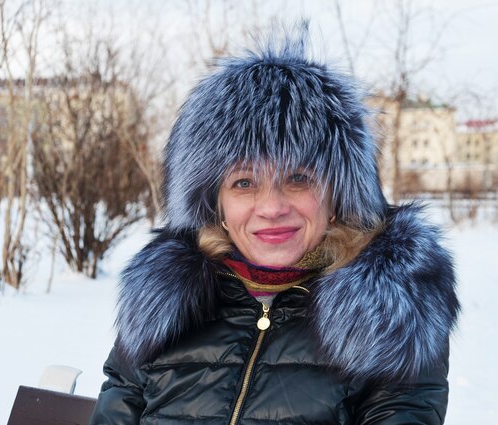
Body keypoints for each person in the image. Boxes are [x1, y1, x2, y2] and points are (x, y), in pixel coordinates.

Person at [90, 29, 459, 425]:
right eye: (244, 183)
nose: (271, 208)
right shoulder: (164, 300)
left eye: (298, 179)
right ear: (216, 203)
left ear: (337, 196)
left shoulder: (390, 312)